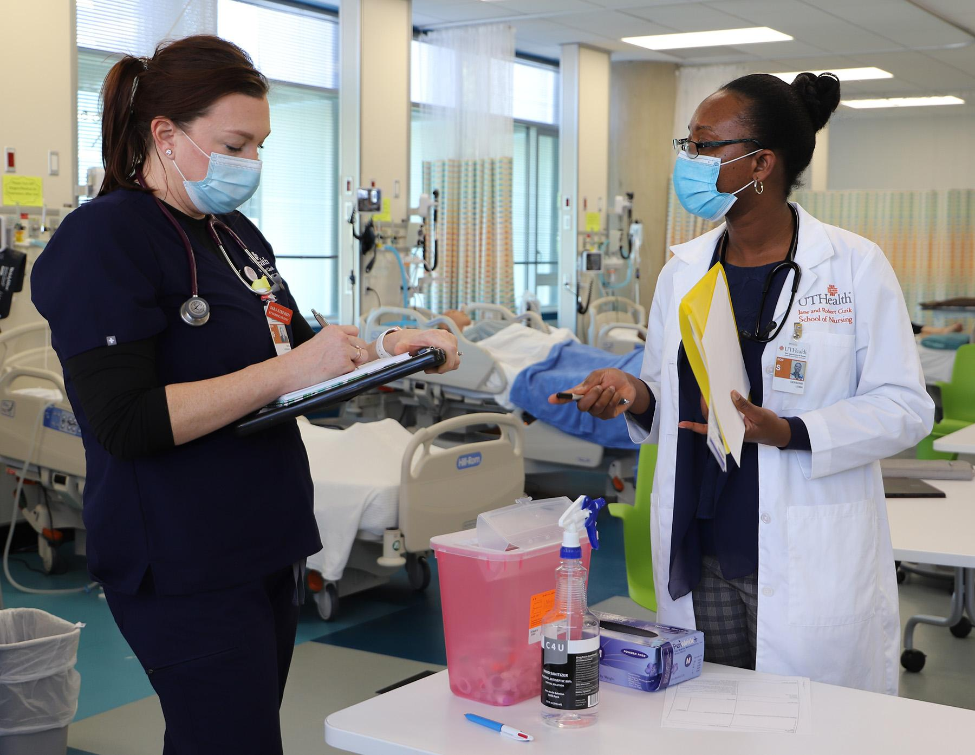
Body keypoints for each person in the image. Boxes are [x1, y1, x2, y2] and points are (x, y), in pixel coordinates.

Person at [30, 36, 458, 755]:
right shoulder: (101, 239)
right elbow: (125, 422)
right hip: (178, 555)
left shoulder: (233, 235)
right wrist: (290, 372)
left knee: (236, 735)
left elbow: (298, 346)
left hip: (264, 536)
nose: (250, 163)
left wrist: (384, 350)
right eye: (235, 143)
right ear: (164, 134)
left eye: (259, 145)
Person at [552, 72, 933, 695]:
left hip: (804, 547)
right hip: (700, 545)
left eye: (705, 147)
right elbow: (662, 390)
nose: (690, 162)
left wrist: (789, 430)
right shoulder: (683, 271)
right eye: (689, 146)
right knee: (708, 716)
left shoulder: (855, 266)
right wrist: (632, 393)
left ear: (762, 162)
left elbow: (905, 407)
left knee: (804, 724)